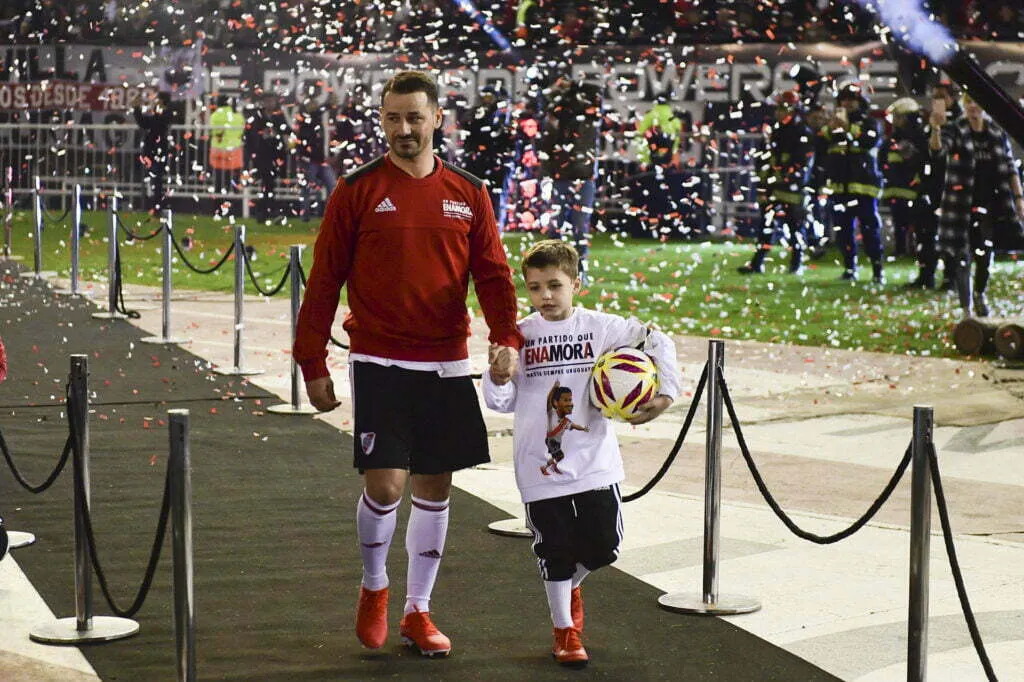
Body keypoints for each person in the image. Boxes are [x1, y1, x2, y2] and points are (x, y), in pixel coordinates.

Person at [293, 70, 523, 658]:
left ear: (437, 119)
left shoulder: (469, 192)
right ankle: (375, 587)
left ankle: (418, 612)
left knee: (434, 486)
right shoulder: (357, 189)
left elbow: (493, 274)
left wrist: (507, 337)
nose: (403, 129)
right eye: (392, 118)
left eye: (415, 117)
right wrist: (310, 357)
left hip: (445, 363)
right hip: (379, 358)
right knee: (386, 482)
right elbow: (324, 280)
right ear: (382, 120)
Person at [482, 239, 681, 668]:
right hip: (539, 463)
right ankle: (565, 631)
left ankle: (571, 584)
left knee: (605, 545)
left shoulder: (600, 328)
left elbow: (656, 338)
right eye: (534, 288)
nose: (545, 296)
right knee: (553, 548)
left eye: (554, 285)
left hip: (595, 463)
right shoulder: (520, 336)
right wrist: (499, 374)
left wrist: (665, 394)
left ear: (576, 284)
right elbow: (498, 402)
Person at [929, 92, 1024, 318]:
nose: (973, 106)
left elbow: (1010, 167)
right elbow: (938, 152)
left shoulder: (996, 133)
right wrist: (936, 129)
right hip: (961, 205)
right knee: (963, 255)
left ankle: (980, 293)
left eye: (977, 102)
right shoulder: (956, 129)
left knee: (985, 253)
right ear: (964, 105)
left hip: (992, 204)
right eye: (969, 102)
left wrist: (1019, 199)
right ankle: (966, 308)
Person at [738, 89, 815, 275]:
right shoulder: (773, 131)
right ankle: (758, 263)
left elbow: (803, 161)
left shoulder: (801, 132)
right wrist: (763, 183)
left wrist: (787, 176)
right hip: (772, 187)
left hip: (791, 188)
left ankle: (797, 263)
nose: (777, 113)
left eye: (782, 109)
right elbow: (762, 159)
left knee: (794, 226)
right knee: (766, 226)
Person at [820, 82, 886, 283]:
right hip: (840, 186)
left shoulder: (870, 123)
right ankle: (850, 268)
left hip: (864, 187)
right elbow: (820, 145)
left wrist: (848, 128)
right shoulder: (833, 125)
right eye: (843, 100)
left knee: (869, 230)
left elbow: (869, 141)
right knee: (843, 231)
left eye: (851, 100)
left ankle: (877, 270)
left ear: (861, 102)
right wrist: (829, 129)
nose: (847, 103)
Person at [540, 75, 603, 283]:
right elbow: (546, 149)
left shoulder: (589, 120)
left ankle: (579, 271)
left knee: (579, 226)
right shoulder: (557, 124)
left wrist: (573, 85)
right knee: (556, 226)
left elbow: (595, 92)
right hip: (562, 178)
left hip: (583, 178)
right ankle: (552, 269)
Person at [882, 97, 929, 259]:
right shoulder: (894, 138)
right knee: (899, 221)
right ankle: (901, 249)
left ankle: (915, 249)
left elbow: (923, 161)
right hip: (896, 187)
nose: (895, 121)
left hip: (913, 188)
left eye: (898, 117)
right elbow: (883, 158)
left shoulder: (919, 137)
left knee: (916, 222)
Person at [293, 96, 339, 221]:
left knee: (332, 187)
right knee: (307, 189)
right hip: (309, 162)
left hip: (321, 161)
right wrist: (329, 104)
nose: (314, 107)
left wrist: (329, 155)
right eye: (312, 105)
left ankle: (330, 215)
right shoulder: (306, 120)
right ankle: (305, 215)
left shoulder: (316, 120)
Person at [132, 90, 173, 214]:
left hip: (158, 150)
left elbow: (147, 123)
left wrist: (137, 109)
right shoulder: (160, 113)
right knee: (152, 178)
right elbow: (145, 123)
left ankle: (156, 206)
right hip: (153, 149)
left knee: (157, 179)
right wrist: (137, 109)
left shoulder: (165, 114)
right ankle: (150, 205)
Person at [208, 94, 244, 197]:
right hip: (234, 151)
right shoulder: (237, 116)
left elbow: (213, 131)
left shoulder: (214, 116)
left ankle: (218, 201)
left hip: (218, 151)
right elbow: (241, 131)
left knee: (219, 178)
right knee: (232, 179)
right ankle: (234, 202)